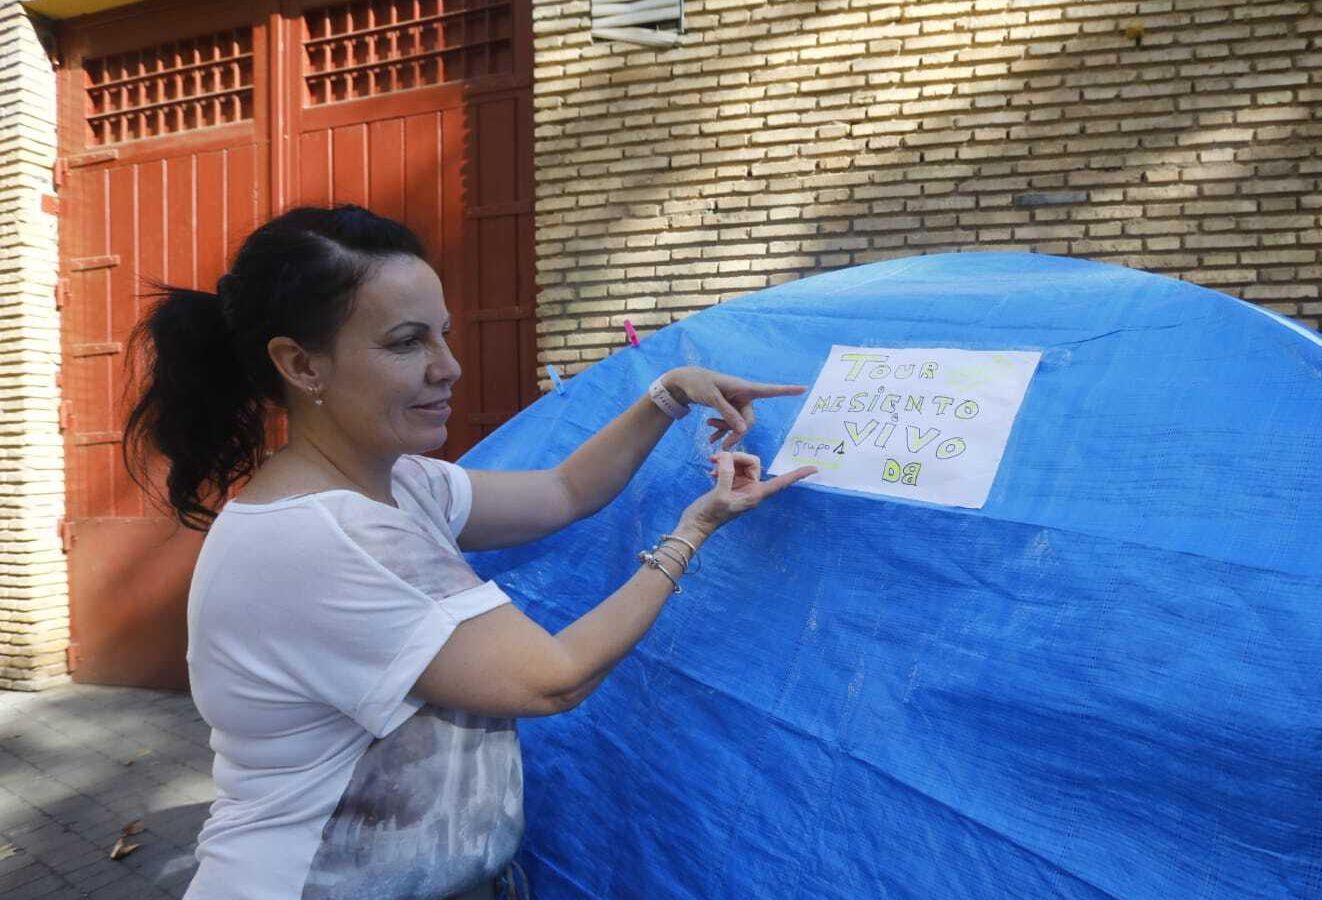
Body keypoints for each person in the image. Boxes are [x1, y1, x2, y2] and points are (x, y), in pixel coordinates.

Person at [121, 205, 817, 899]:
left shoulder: (398, 482)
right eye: (406, 343)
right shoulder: (320, 540)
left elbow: (564, 490)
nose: (448, 368)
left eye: (443, 337)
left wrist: (669, 395)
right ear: (302, 364)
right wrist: (691, 533)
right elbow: (552, 677)